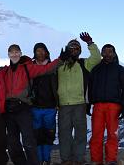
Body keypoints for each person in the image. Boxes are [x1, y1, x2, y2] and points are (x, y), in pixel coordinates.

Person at [4, 44, 64, 165]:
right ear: (8, 55)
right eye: (12, 52)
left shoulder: (27, 68)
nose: (14, 54)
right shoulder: (5, 70)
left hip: (23, 107)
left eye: (17, 52)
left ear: (20, 53)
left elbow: (46, 69)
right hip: (9, 109)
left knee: (29, 140)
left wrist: (60, 59)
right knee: (12, 143)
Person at [57, 32, 101, 165]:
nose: (74, 50)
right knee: (64, 134)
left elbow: (97, 58)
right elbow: (48, 71)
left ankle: (78, 158)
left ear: (80, 51)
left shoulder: (84, 64)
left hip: (80, 104)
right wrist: (60, 59)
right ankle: (66, 159)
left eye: (76, 48)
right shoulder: (60, 65)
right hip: (64, 104)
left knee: (80, 134)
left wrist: (90, 43)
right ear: (67, 50)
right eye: (71, 48)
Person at [88, 44, 124, 165]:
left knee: (112, 135)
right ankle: (96, 160)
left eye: (110, 52)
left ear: (114, 54)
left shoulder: (120, 69)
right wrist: (89, 103)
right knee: (96, 134)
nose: (107, 54)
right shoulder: (96, 69)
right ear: (102, 54)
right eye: (105, 52)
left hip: (114, 106)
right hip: (98, 105)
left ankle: (111, 160)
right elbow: (90, 87)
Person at [31, 43, 59, 165]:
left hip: (50, 107)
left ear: (46, 52)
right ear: (35, 53)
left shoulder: (53, 67)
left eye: (42, 51)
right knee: (37, 134)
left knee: (48, 134)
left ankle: (46, 159)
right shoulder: (30, 67)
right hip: (35, 107)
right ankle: (39, 159)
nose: (40, 53)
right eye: (38, 51)